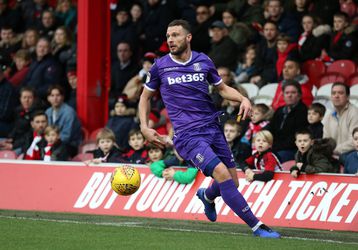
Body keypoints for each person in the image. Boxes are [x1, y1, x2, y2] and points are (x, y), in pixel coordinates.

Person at [139, 19, 280, 238]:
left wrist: (243, 98)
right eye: (168, 36)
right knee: (222, 173)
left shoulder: (203, 61)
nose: (170, 40)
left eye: (175, 35)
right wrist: (144, 126)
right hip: (187, 135)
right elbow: (145, 97)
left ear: (188, 37)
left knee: (232, 182)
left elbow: (222, 89)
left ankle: (206, 196)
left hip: (213, 128)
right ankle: (257, 226)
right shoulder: (160, 66)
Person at [266, 79, 309, 162]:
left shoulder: (303, 111)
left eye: (293, 92)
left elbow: (296, 137)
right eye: (287, 93)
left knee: (273, 158)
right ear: (283, 95)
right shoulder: (279, 110)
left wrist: (274, 147)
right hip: (276, 147)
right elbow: (271, 127)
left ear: (299, 95)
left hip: (293, 150)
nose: (289, 95)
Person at [323, 82, 358, 163]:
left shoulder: (354, 113)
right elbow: (326, 140)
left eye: (340, 93)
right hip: (333, 154)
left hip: (351, 153)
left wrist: (334, 150)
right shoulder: (329, 116)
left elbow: (354, 141)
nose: (336, 96)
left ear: (348, 97)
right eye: (333, 93)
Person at [45, 84, 82, 157]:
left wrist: (51, 140)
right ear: (48, 98)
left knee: (55, 153)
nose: (55, 98)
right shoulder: (47, 112)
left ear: (62, 97)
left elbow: (66, 136)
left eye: (58, 95)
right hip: (53, 142)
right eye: (52, 95)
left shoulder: (69, 112)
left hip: (69, 145)